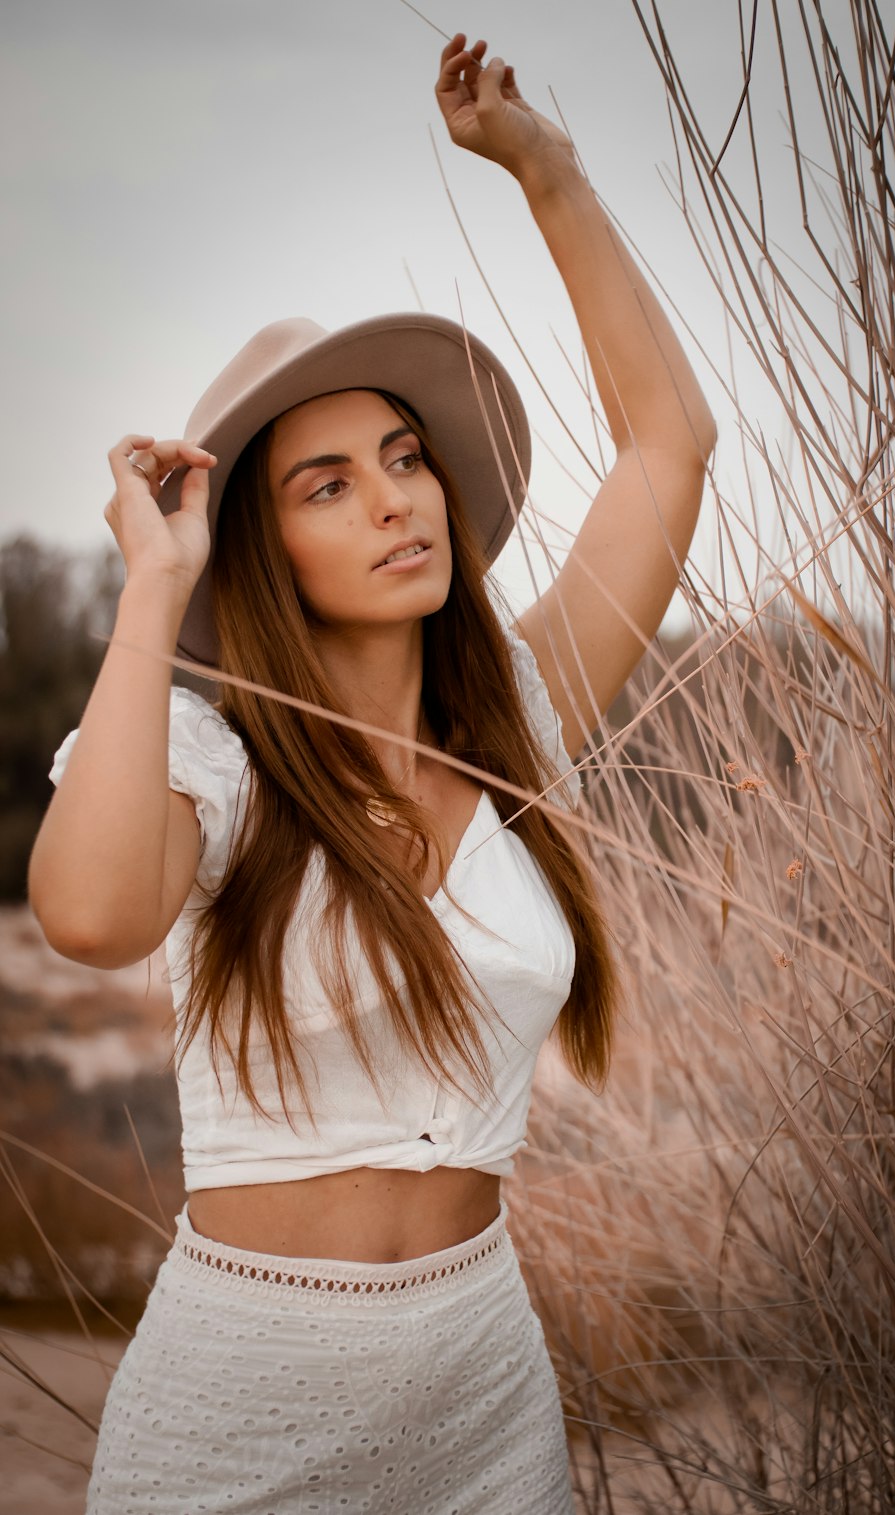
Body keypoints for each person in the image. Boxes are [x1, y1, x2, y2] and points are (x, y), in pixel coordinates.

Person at [29, 32, 716, 1515]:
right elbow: (88, 920)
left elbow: (668, 447)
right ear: (262, 544)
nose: (394, 498)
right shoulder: (212, 759)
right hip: (239, 1408)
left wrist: (551, 173)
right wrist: (152, 589)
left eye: (403, 455)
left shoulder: (519, 712)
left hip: (485, 1390)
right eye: (325, 483)